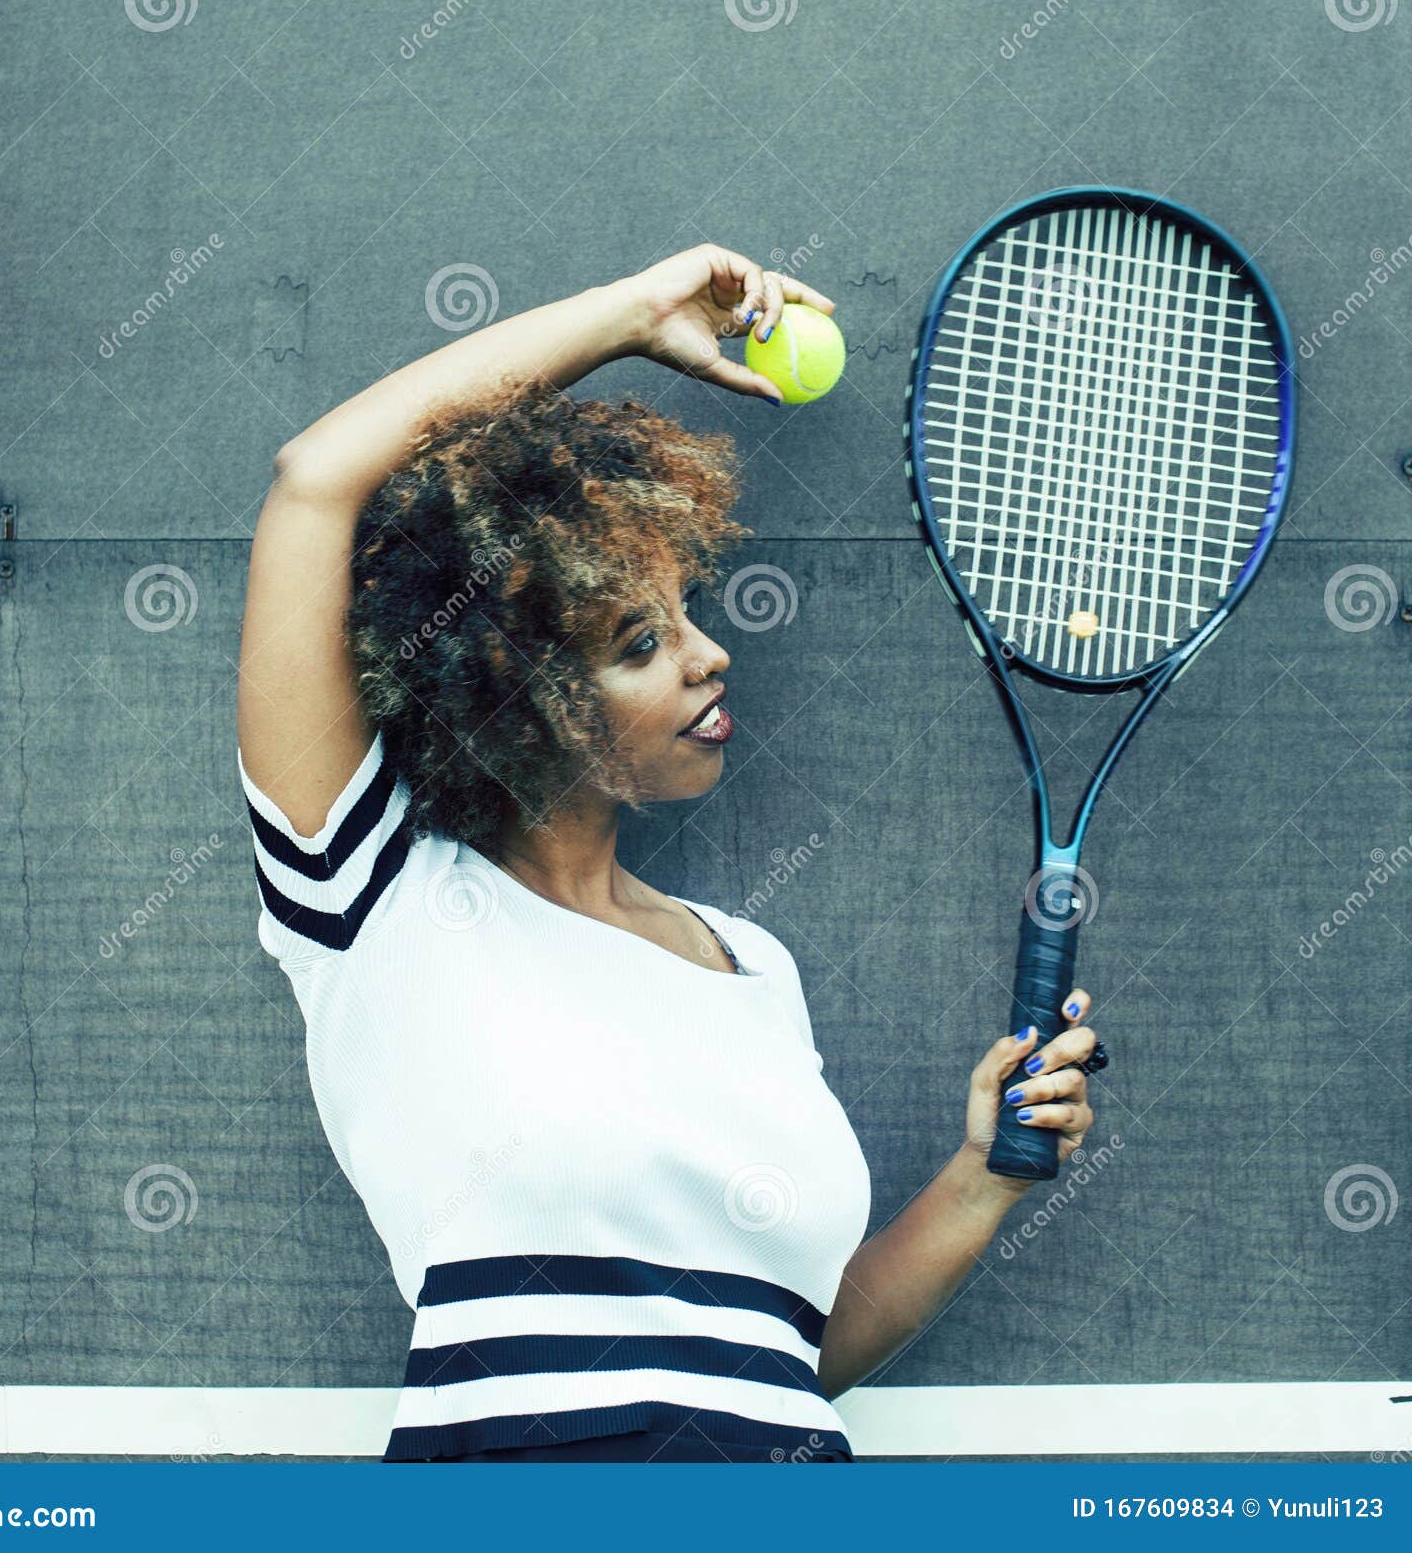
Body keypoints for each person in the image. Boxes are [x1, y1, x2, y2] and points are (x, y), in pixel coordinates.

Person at [235, 244, 1100, 1462]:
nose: (710, 655)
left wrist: (981, 1179)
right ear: (508, 685)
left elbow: (782, 1362)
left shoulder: (749, 967)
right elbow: (316, 480)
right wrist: (633, 315)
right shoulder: (372, 899)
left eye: (689, 613)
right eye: (638, 640)